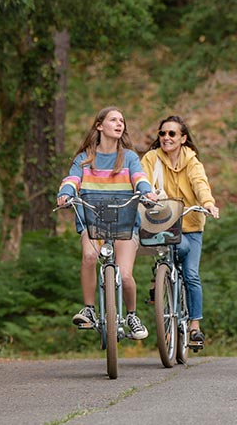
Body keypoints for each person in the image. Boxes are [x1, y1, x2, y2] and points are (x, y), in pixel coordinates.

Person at [56, 106, 157, 340]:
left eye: (122, 120)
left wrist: (146, 192)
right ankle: (90, 310)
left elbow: (139, 178)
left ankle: (131, 315)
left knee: (124, 274)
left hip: (124, 222)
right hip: (93, 221)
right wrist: (65, 194)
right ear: (99, 126)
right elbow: (72, 180)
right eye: (113, 120)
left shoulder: (129, 157)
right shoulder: (84, 159)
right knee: (90, 257)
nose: (119, 124)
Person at [140, 115, 219, 344]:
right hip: (161, 223)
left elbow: (200, 183)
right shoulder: (151, 159)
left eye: (172, 134)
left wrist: (208, 203)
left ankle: (194, 326)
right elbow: (141, 180)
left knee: (191, 274)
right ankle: (161, 277)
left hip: (191, 225)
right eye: (162, 133)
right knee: (172, 252)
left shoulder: (192, 161)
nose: (166, 138)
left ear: (183, 138)